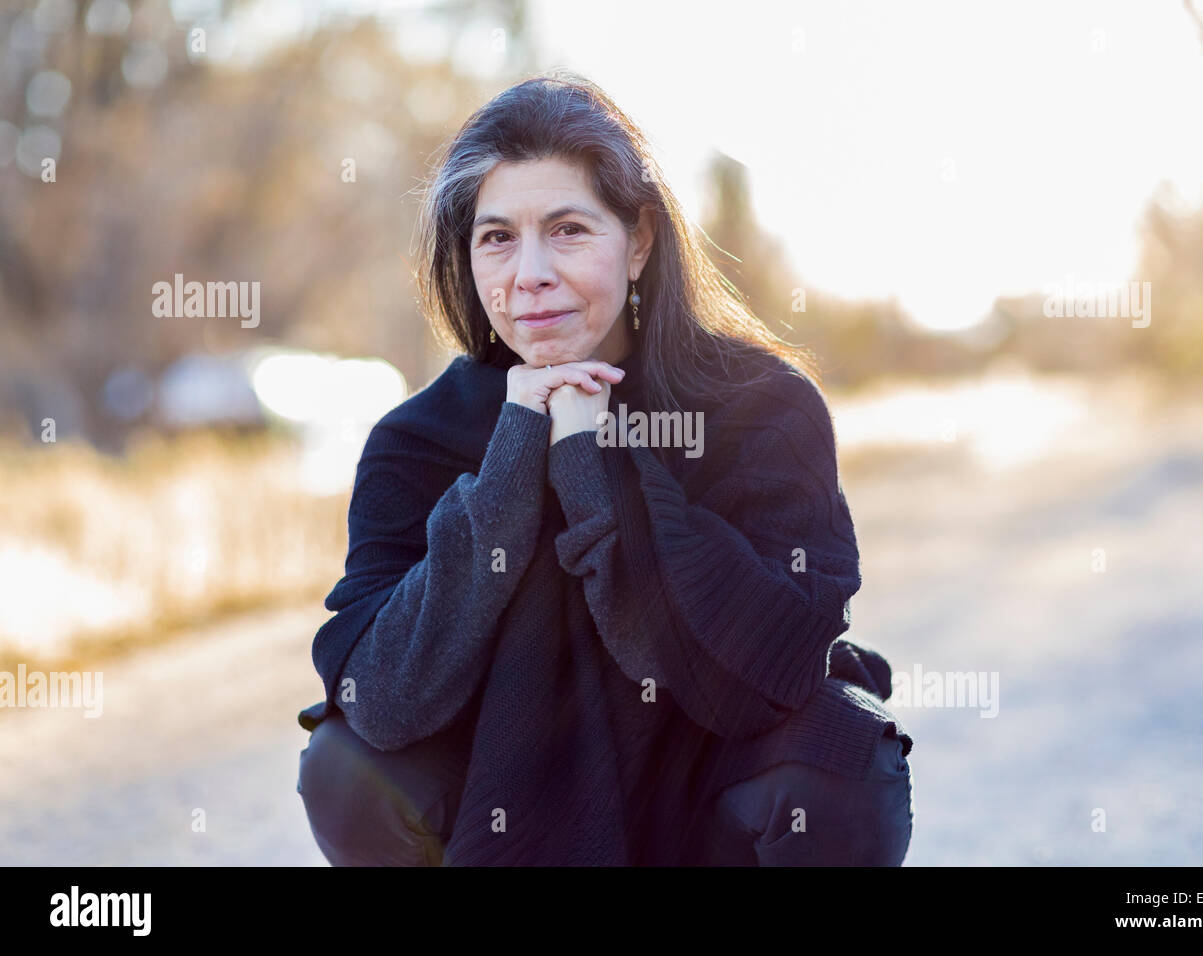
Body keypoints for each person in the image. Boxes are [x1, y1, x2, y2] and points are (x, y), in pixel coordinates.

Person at [295, 70, 914, 866]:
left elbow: (781, 661)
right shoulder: (417, 439)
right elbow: (380, 696)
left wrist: (594, 461)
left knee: (839, 762)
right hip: (503, 784)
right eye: (497, 238)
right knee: (345, 767)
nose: (529, 274)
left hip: (713, 780)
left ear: (640, 240)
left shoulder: (762, 408)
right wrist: (516, 457)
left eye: (567, 230)